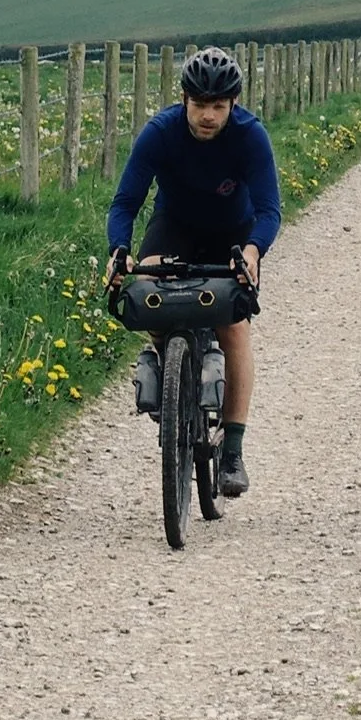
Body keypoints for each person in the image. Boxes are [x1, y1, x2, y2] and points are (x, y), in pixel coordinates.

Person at [106, 45, 280, 497]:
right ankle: (171, 375)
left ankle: (234, 451)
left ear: (233, 104)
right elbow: (126, 202)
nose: (208, 115)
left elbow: (268, 209)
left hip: (231, 233)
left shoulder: (250, 136)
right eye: (199, 104)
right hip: (175, 226)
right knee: (146, 288)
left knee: (234, 326)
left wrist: (254, 251)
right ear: (183, 98)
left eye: (218, 106)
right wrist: (119, 250)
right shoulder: (159, 133)